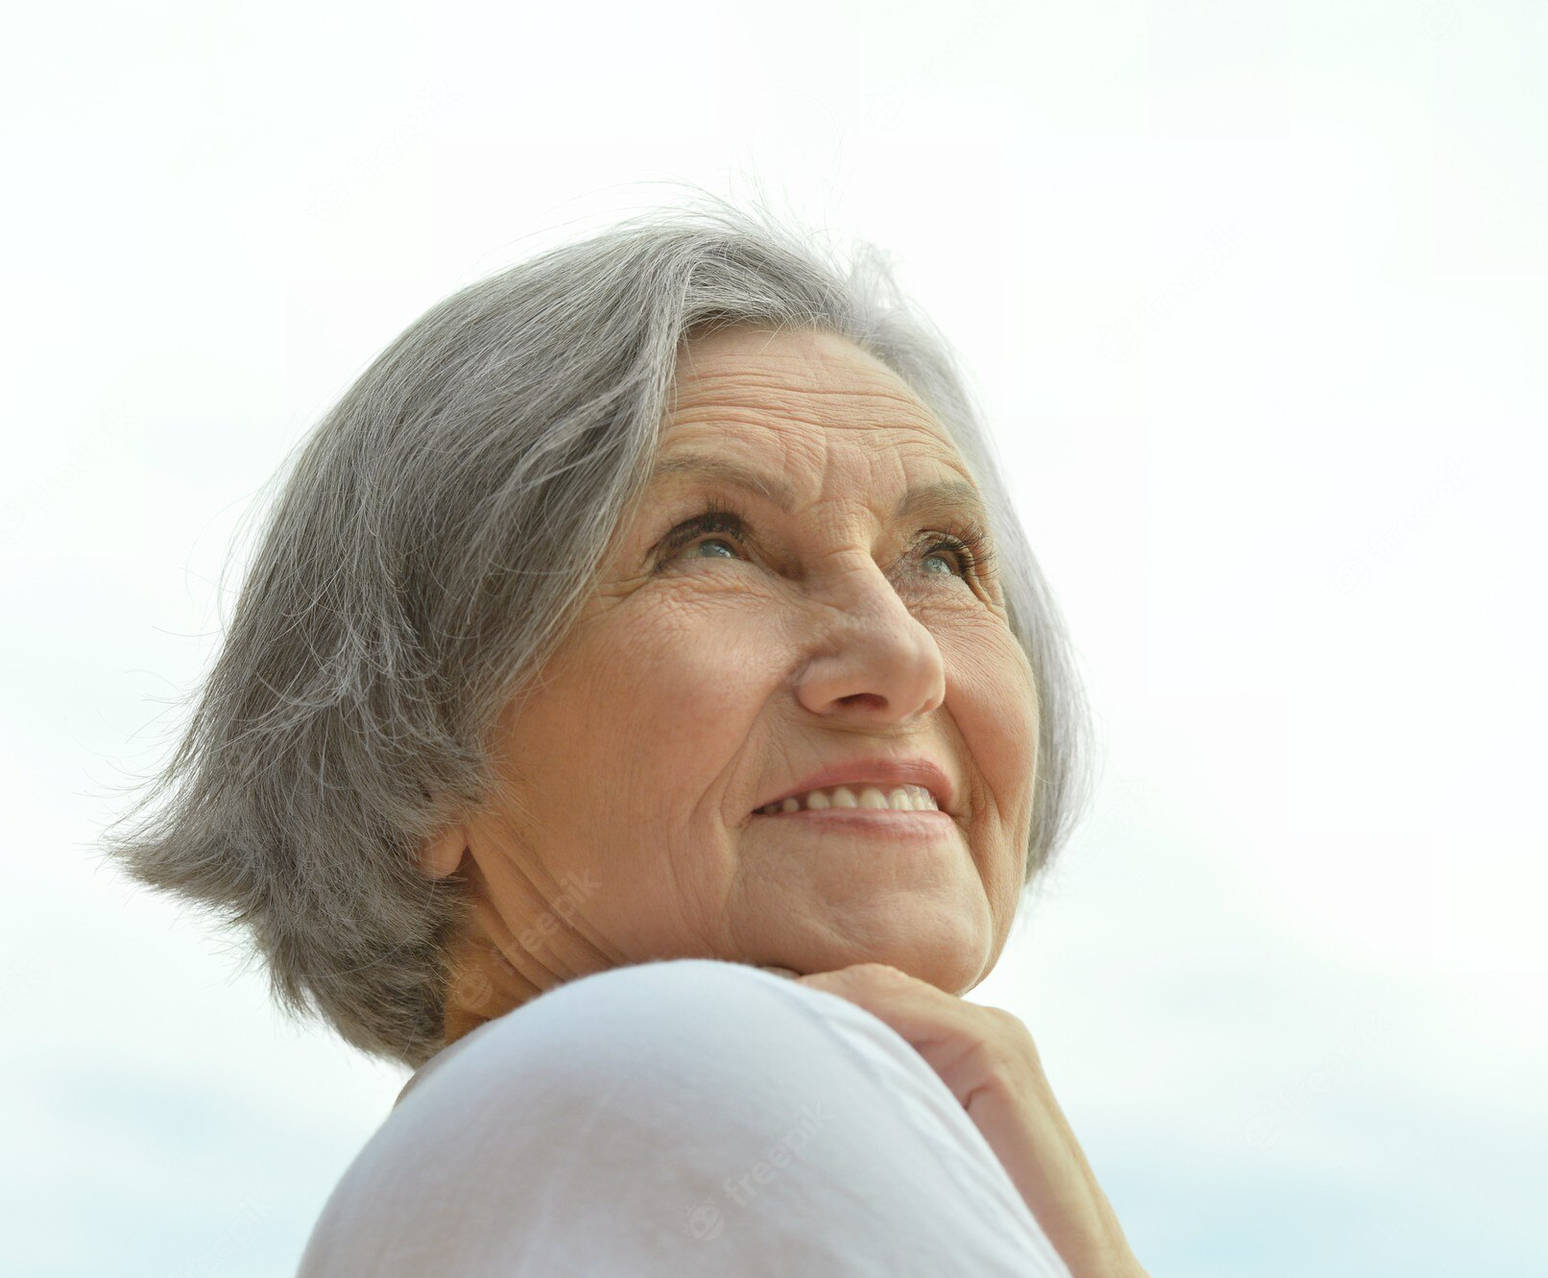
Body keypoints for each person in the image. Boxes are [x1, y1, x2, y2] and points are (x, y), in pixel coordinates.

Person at [101, 198, 1145, 1276]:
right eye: (712, 544)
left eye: (940, 558)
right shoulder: (673, 1073)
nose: (903, 659)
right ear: (417, 745)